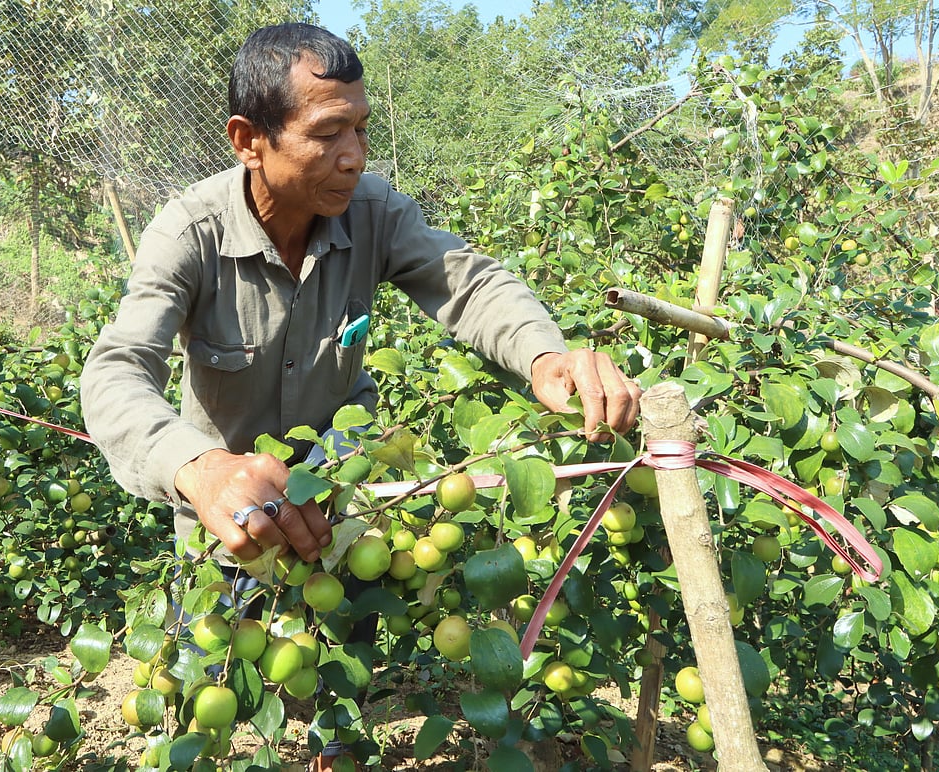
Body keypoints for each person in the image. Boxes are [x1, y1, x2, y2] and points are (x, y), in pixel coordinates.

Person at [80, 22, 641, 770]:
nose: (354, 157)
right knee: (205, 658)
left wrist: (546, 356)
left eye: (362, 130)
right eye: (327, 134)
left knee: (343, 655)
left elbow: (469, 284)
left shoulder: (372, 210)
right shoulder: (191, 234)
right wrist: (200, 468)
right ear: (249, 139)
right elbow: (116, 369)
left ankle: (336, 750)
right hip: (228, 503)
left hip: (344, 489)